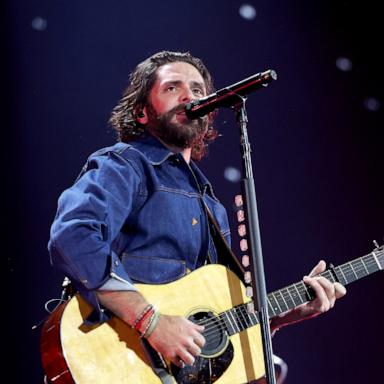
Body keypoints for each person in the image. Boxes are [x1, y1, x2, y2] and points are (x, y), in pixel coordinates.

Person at [48, 50, 346, 371]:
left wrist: (285, 314)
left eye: (198, 89)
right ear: (142, 112)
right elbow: (73, 235)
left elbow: (213, 325)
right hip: (112, 360)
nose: (190, 95)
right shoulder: (124, 164)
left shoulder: (212, 207)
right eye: (172, 87)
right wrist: (152, 322)